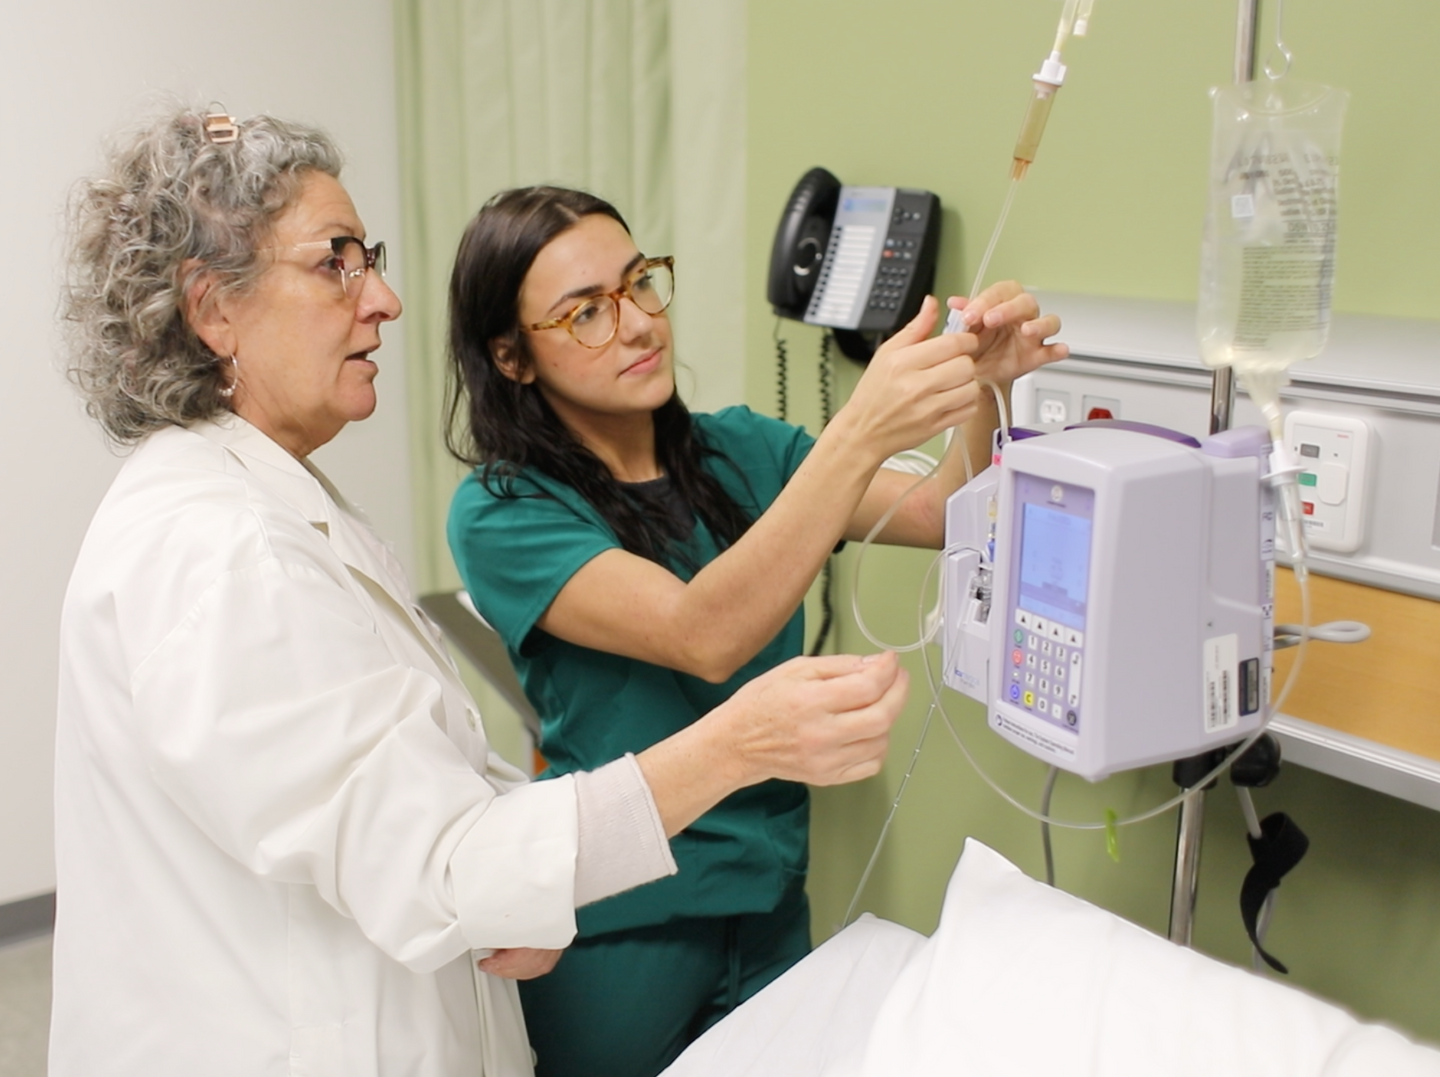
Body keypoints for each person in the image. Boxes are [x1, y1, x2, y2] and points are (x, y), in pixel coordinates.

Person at [49, 109, 911, 1077]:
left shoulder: (271, 512)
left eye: (366, 256)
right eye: (336, 262)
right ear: (213, 310)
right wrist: (739, 743)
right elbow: (440, 863)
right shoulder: (220, 551)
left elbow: (411, 791)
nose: (385, 298)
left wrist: (524, 893)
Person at [444, 186, 1067, 1077]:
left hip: (770, 902)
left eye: (638, 284)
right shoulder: (503, 511)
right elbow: (704, 631)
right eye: (585, 312)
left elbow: (940, 509)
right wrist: (859, 429)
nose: (634, 325)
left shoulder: (743, 451)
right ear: (512, 358)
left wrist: (989, 386)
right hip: (619, 926)